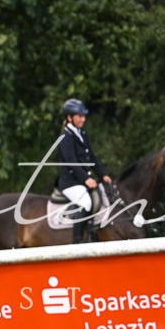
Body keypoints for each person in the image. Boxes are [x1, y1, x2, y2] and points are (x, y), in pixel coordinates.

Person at [56, 98, 113, 243]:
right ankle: (77, 240)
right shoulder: (65, 137)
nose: (83, 119)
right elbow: (72, 161)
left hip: (81, 181)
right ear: (69, 118)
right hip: (70, 182)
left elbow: (91, 157)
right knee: (86, 202)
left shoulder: (82, 134)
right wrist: (86, 179)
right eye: (79, 116)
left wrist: (103, 174)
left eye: (83, 116)